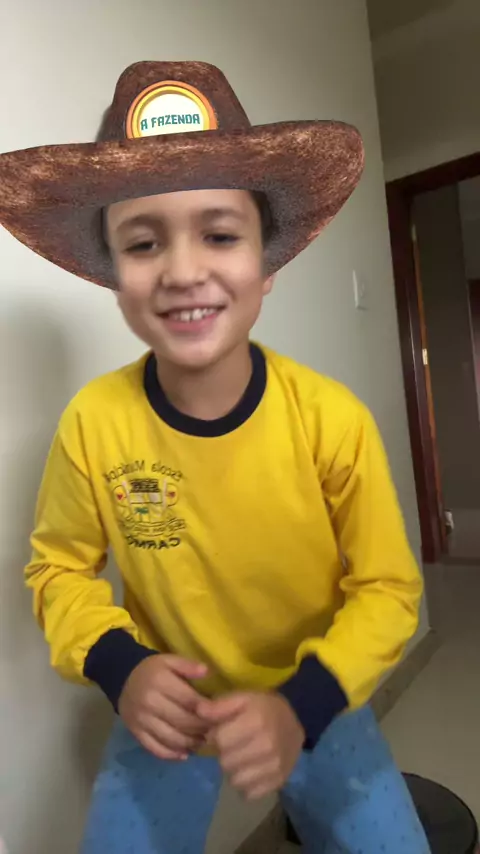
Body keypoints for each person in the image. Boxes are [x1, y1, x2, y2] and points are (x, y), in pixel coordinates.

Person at [0, 61, 430, 853]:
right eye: (143, 242)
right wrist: (120, 665)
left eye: (221, 234)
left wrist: (302, 706)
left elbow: (388, 590)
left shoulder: (331, 420)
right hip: (168, 706)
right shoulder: (94, 423)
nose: (183, 269)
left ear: (268, 264)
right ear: (115, 277)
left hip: (320, 695)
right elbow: (58, 570)